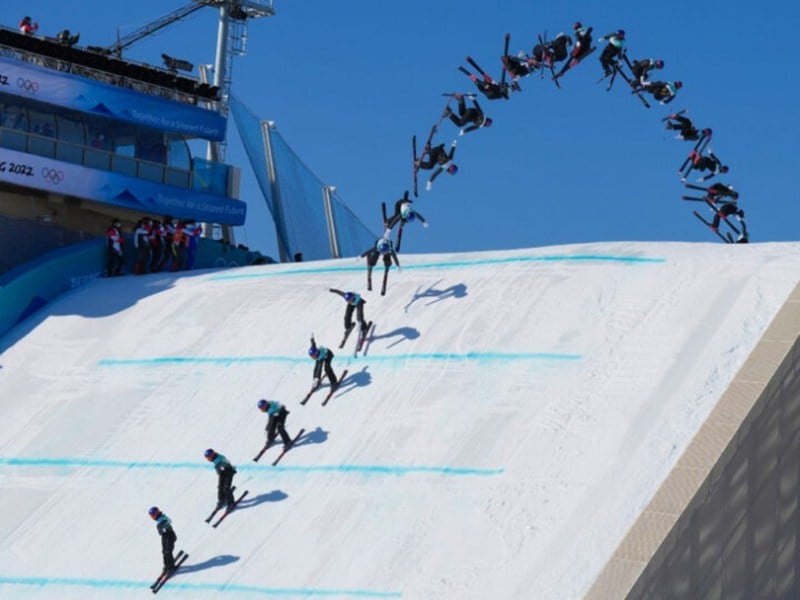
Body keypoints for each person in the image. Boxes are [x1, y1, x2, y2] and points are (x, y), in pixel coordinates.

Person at [148, 506, 177, 574]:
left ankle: (170, 567)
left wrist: (162, 529)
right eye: (151, 516)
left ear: (156, 514)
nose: (152, 517)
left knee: (167, 552)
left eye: (152, 516)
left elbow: (161, 531)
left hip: (169, 536)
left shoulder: (161, 520)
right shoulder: (161, 518)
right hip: (166, 536)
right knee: (164, 551)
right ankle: (167, 565)